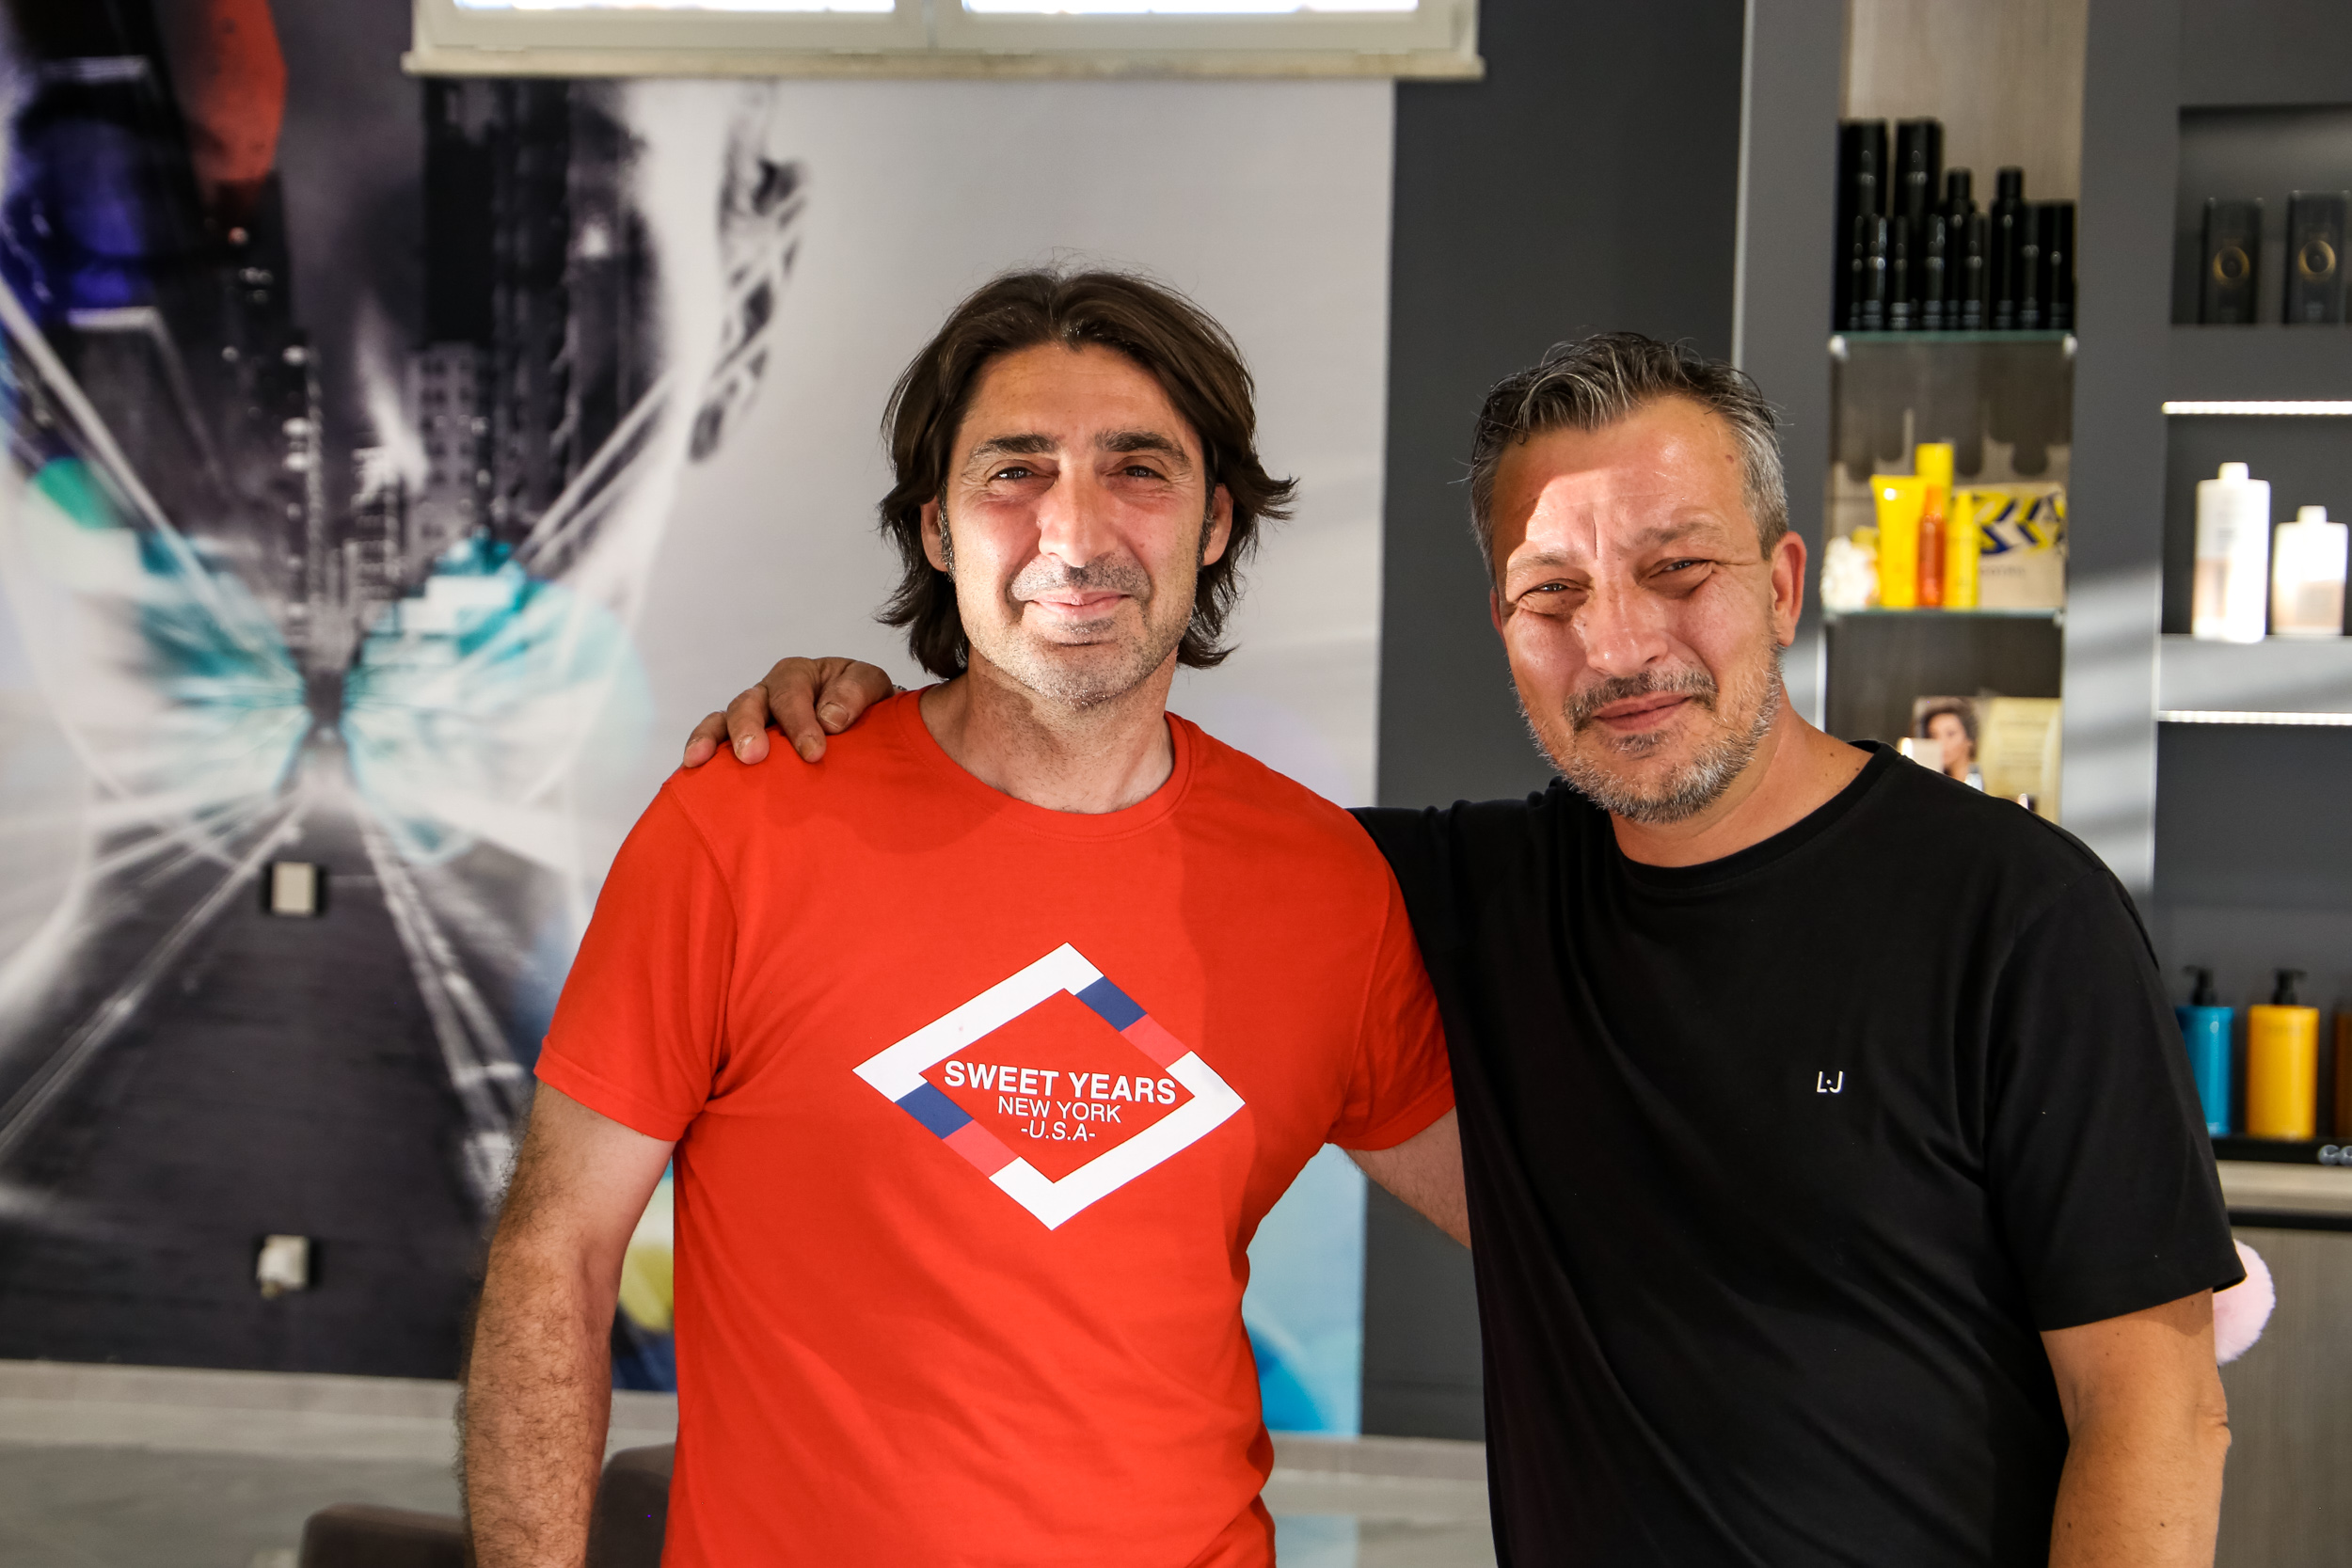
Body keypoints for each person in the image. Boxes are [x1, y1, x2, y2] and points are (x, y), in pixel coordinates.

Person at [697, 334, 2242, 1567]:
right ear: (1502, 624)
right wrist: (876, 723)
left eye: (1679, 571)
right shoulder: (1433, 895)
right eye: (1551, 593)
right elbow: (1095, 819)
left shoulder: (2013, 914)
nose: (1619, 645)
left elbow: (2161, 1414)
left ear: (1780, 585)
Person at [464, 269, 1464, 1568]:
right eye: (1014, 471)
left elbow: (1543, 1228)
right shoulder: (745, 826)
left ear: (1217, 520)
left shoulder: (1325, 881)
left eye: (1138, 469)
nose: (1075, 529)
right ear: (936, 529)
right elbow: (557, 1250)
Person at [1920, 697, 1985, 788]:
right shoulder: (1931, 783)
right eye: (1933, 735)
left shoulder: (1983, 782)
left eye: (1950, 734)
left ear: (1969, 738)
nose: (1940, 742)